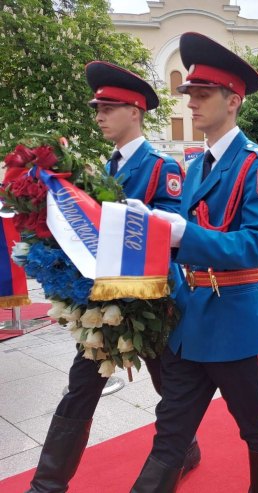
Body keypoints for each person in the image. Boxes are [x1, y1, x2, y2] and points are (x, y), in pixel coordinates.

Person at [26, 61, 192, 493]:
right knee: (81, 385)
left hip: (150, 302)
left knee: (167, 386)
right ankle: (47, 485)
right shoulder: (105, 168)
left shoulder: (162, 168)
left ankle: (186, 447)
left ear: (135, 111)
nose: (98, 114)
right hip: (103, 300)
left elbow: (172, 233)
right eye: (96, 107)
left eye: (107, 106)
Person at [129, 32, 258, 491]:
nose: (191, 103)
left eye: (201, 94)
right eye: (189, 94)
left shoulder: (257, 164)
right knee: (170, 434)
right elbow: (177, 238)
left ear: (232, 100)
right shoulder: (195, 166)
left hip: (236, 322)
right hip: (189, 323)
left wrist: (182, 233)